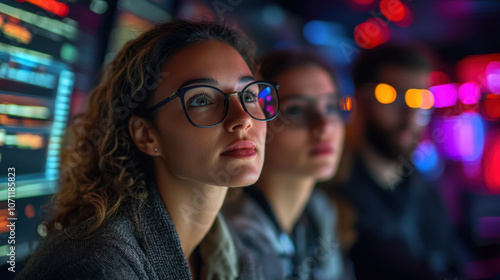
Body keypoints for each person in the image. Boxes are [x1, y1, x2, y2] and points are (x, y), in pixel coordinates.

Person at [17, 19, 280, 280]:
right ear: (146, 135)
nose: (243, 118)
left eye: (248, 96)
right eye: (202, 99)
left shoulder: (238, 258)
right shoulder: (95, 266)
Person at [332, 44, 463, 279]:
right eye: (393, 95)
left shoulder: (424, 190)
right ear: (360, 100)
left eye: (420, 98)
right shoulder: (337, 195)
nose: (410, 114)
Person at [223, 50, 351, 279]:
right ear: (254, 122)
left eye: (331, 108)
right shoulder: (235, 233)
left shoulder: (319, 213)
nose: (324, 127)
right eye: (295, 110)